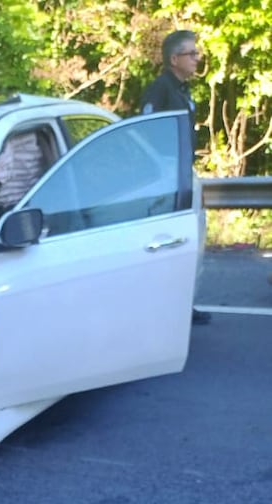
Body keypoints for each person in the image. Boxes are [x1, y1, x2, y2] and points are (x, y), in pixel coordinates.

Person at [140, 30, 211, 325]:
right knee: (172, 245)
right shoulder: (160, 90)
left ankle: (183, 304)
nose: (197, 59)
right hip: (167, 178)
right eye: (191, 54)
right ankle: (165, 308)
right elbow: (145, 133)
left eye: (197, 53)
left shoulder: (182, 90)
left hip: (183, 173)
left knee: (191, 242)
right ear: (174, 59)